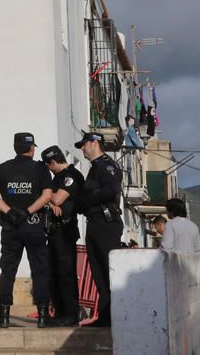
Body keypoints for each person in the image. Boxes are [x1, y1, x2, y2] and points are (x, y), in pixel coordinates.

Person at [0, 132, 55, 329]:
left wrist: (10, 212)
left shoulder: (3, 168)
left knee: (8, 270)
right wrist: (27, 212)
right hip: (33, 225)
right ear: (32, 148)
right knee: (40, 269)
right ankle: (43, 316)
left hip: (10, 226)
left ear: (15, 147)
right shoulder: (40, 169)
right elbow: (47, 195)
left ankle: (4, 316)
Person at [75, 131, 123, 327]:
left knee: (107, 269)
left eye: (84, 145)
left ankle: (112, 315)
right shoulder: (94, 168)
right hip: (94, 223)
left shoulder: (107, 166)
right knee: (97, 271)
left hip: (106, 224)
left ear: (94, 143)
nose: (82, 149)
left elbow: (112, 189)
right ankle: (104, 316)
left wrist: (86, 200)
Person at [41, 145, 84, 327]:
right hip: (54, 230)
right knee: (54, 273)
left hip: (65, 231)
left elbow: (58, 199)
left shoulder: (70, 176)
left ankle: (70, 313)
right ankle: (59, 312)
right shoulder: (57, 178)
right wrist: (51, 202)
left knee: (65, 274)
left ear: (52, 162)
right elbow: (54, 200)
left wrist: (45, 193)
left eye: (48, 166)